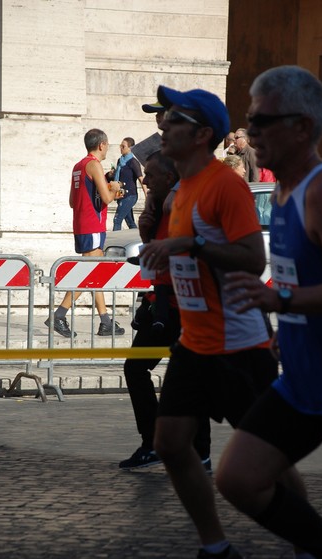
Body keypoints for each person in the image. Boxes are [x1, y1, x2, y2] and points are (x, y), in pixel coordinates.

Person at [139, 85, 309, 559]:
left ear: (201, 134)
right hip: (196, 341)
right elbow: (195, 255)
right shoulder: (177, 190)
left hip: (240, 346)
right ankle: (217, 553)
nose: (162, 127)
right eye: (161, 118)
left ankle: (309, 553)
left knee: (271, 463)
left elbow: (249, 259)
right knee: (169, 445)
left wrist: (188, 244)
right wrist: (169, 257)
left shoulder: (225, 186)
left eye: (172, 120)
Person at [217, 65, 322, 559]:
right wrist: (283, 323)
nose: (250, 130)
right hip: (302, 378)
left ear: (302, 127)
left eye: (261, 120)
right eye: (249, 119)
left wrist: (284, 300)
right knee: (237, 479)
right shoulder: (281, 192)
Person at [120, 151, 211, 471]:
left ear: (170, 179)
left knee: (191, 380)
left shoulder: (180, 205)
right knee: (138, 369)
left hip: (183, 309)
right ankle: (159, 443)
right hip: (162, 306)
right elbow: (157, 259)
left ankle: (195, 451)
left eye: (151, 175)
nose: (144, 180)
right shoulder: (158, 207)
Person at [45, 128, 125, 338]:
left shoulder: (78, 166)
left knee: (93, 272)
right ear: (101, 145)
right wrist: (114, 187)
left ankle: (106, 321)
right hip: (94, 225)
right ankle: (59, 315)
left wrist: (103, 189)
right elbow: (107, 199)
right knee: (87, 273)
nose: (107, 148)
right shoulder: (94, 164)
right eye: (107, 145)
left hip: (81, 224)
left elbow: (73, 201)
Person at [109, 137, 147, 231]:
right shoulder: (120, 161)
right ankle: (138, 239)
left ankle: (115, 243)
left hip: (130, 195)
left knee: (117, 220)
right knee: (130, 222)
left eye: (123, 146)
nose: (121, 148)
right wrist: (113, 173)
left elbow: (141, 179)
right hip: (120, 195)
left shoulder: (133, 162)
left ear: (130, 148)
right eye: (120, 146)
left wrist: (147, 194)